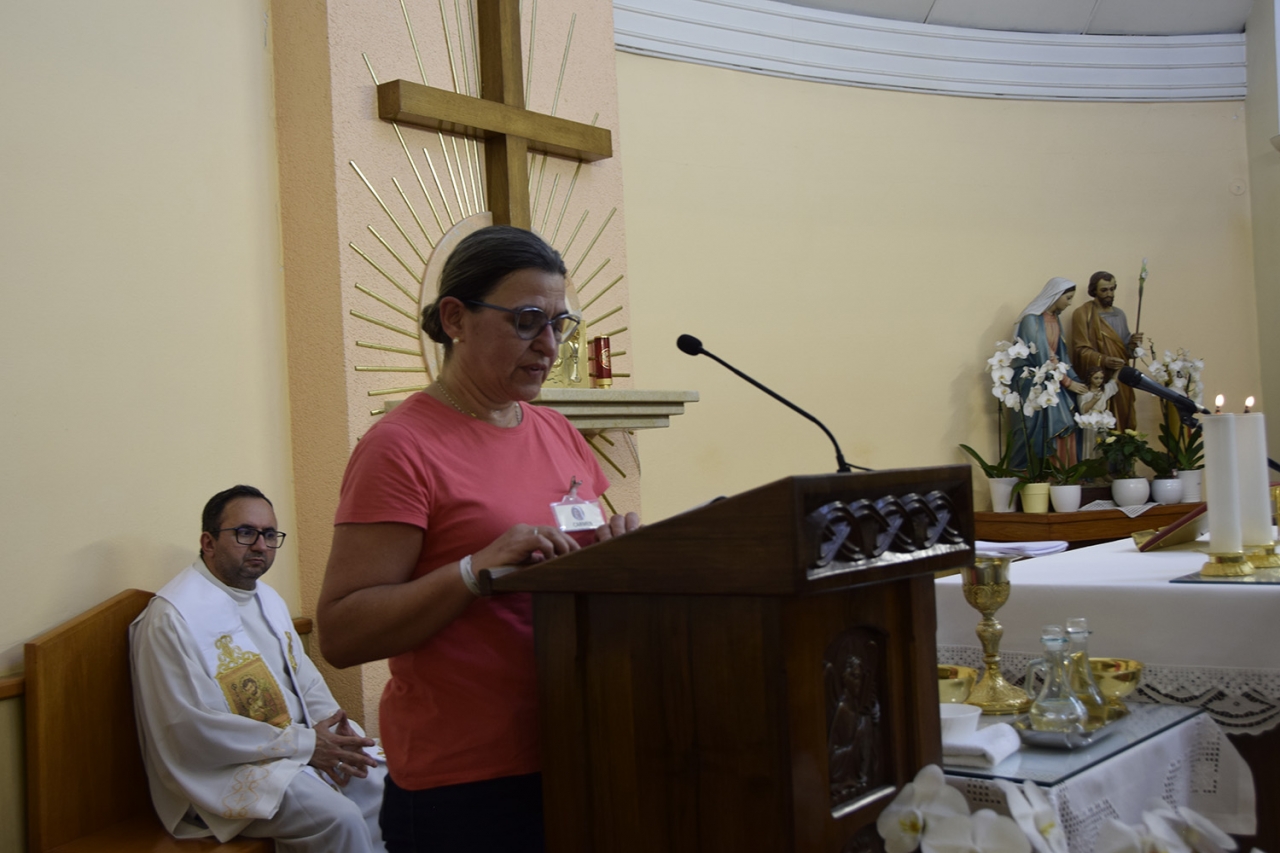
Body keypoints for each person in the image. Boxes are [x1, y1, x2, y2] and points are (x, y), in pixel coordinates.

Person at [317, 225, 640, 853]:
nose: (549, 345)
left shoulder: (556, 431)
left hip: (577, 744)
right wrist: (472, 572)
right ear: (455, 318)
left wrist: (622, 556)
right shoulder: (401, 447)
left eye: (559, 324)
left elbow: (576, 564)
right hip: (465, 782)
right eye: (526, 321)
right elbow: (342, 632)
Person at [130, 485, 387, 853]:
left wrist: (338, 734)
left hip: (295, 750)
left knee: (380, 783)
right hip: (222, 771)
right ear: (208, 542)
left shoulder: (267, 598)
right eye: (245, 533)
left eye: (269, 535)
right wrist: (305, 746)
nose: (260, 546)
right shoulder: (171, 618)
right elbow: (188, 728)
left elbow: (305, 681)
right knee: (338, 818)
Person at [1010, 277, 1089, 471]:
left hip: (1053, 378)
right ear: (1056, 295)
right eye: (1068, 298)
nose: (1069, 303)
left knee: (1070, 420)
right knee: (1050, 423)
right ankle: (1038, 473)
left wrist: (1076, 381)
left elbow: (1062, 356)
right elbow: (1042, 357)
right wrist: (1068, 382)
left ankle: (1063, 474)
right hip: (1033, 379)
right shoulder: (1031, 320)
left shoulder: (1055, 319)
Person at [1070, 271, 1145, 431]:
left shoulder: (1120, 315)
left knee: (1123, 417)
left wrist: (1132, 345)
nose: (1109, 294)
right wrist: (1104, 360)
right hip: (1097, 376)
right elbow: (1080, 350)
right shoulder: (1083, 314)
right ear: (1094, 291)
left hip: (1120, 375)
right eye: (1104, 290)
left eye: (1112, 289)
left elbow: (1124, 350)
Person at [1076, 364, 1118, 458]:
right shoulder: (1084, 392)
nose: (1099, 381)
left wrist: (1120, 368)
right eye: (1096, 378)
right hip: (1090, 422)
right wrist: (1094, 400)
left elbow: (1114, 381)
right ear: (1089, 378)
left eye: (1101, 378)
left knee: (1104, 445)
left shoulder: (1104, 390)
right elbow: (1083, 410)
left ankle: (1103, 464)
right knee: (1091, 446)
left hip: (1102, 420)